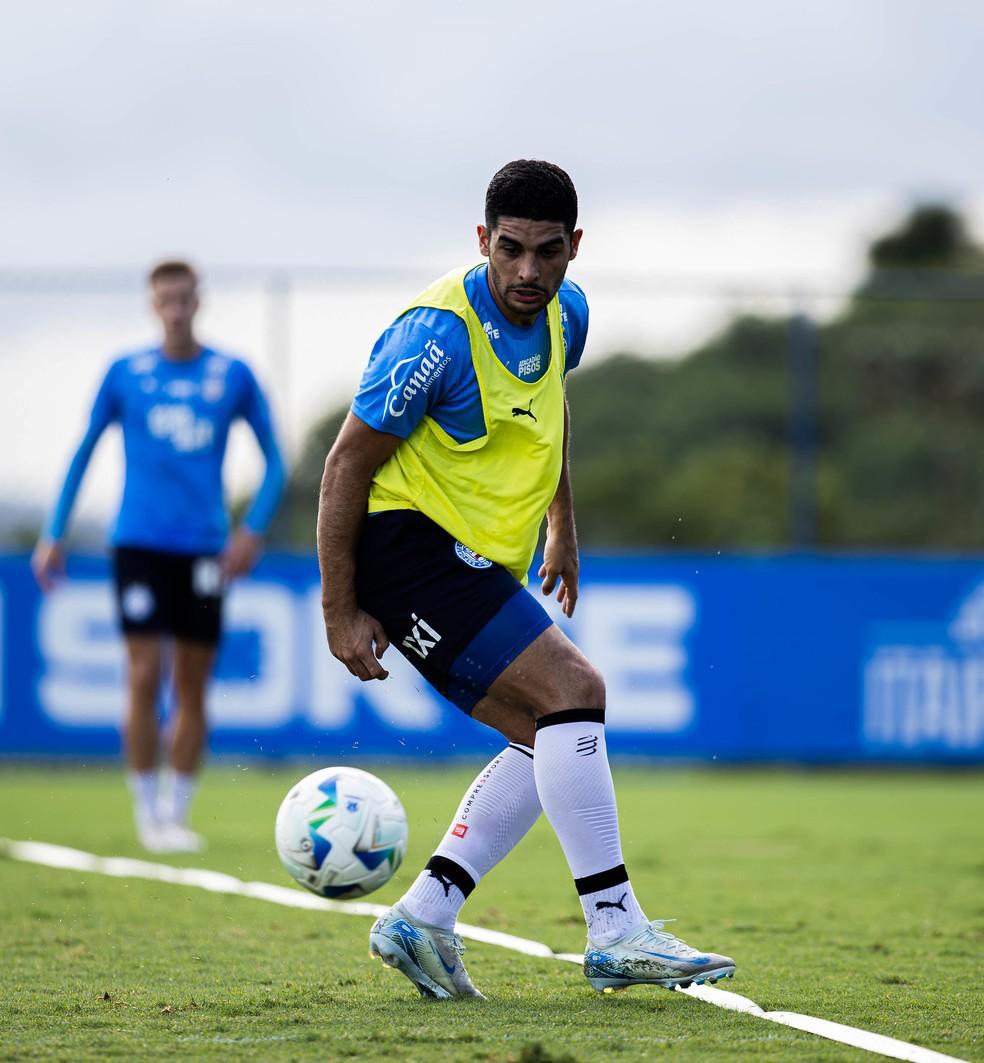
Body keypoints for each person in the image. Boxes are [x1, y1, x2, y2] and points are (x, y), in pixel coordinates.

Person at [317, 160, 735, 999]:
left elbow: (550, 412)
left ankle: (423, 912)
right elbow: (343, 467)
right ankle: (614, 926)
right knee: (576, 686)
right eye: (509, 250)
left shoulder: (565, 316)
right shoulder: (432, 335)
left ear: (575, 248)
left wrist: (561, 521)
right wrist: (340, 607)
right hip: (407, 546)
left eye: (548, 253)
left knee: (548, 734)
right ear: (482, 240)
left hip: (477, 557)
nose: (527, 273)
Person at [32, 260, 285, 853]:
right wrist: (54, 531)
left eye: (183, 296)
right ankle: (147, 810)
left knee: (193, 683)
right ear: (153, 304)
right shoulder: (125, 373)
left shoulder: (232, 373)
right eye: (165, 298)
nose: (175, 307)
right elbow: (83, 450)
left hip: (205, 548)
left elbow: (275, 457)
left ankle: (176, 811)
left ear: (199, 301)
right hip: (138, 543)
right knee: (144, 675)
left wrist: (252, 530)